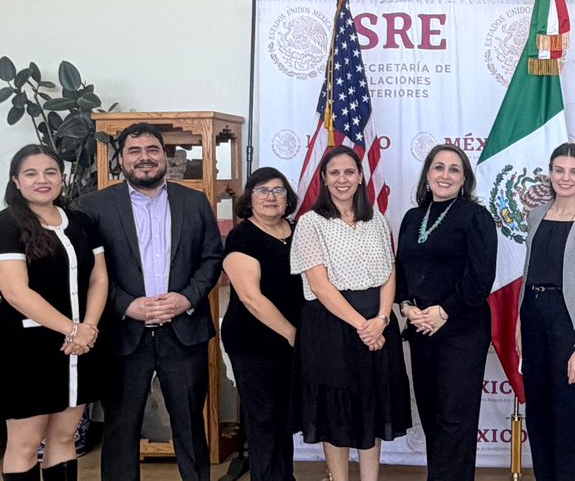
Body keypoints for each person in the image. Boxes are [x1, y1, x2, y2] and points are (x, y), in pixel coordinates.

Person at [78, 123, 224, 481]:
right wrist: (126, 305)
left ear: (165, 155)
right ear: (120, 159)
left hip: (183, 333)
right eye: (134, 151)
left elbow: (212, 258)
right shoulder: (94, 206)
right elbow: (86, 271)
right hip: (124, 335)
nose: (144, 158)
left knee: (190, 426)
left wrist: (186, 298)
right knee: (120, 428)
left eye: (152, 150)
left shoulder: (194, 201)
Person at [0, 145, 107, 481]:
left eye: (50, 172)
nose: (42, 180)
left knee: (64, 438)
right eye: (31, 173)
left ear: (61, 178)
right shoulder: (3, 226)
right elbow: (16, 293)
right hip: (26, 350)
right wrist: (73, 330)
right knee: (26, 443)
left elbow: (99, 278)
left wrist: (88, 327)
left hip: (79, 348)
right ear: (16, 181)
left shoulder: (81, 222)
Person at [289, 146, 412, 481]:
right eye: (334, 173)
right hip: (331, 327)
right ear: (324, 179)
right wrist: (363, 326)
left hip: (378, 322)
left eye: (349, 172)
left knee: (372, 406)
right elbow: (320, 285)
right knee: (336, 411)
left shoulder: (377, 220)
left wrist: (382, 320)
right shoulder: (310, 223)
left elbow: (389, 273)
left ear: (360, 177)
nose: (342, 179)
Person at [395, 144, 497, 481]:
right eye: (439, 167)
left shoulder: (475, 216)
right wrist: (406, 307)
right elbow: (401, 272)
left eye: (454, 169)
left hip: (462, 331)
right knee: (431, 415)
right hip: (421, 329)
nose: (445, 175)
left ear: (464, 178)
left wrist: (444, 311)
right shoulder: (412, 218)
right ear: (428, 173)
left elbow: (481, 278)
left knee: (455, 419)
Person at [515, 143, 575, 481]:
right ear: (550, 173)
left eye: (574, 171)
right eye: (559, 170)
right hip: (533, 319)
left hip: (567, 324)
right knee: (538, 411)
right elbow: (528, 272)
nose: (565, 178)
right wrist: (519, 325)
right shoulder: (536, 215)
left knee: (569, 414)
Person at [220, 167, 303, 481]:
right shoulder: (242, 237)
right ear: (249, 198)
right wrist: (291, 333)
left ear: (287, 198)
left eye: (278, 190)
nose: (271, 197)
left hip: (292, 343)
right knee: (263, 419)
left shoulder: (298, 231)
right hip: (253, 342)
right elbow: (251, 298)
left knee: (283, 418)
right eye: (262, 190)